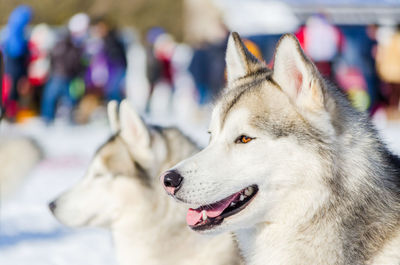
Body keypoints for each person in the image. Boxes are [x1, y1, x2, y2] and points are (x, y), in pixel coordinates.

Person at [41, 13, 88, 123]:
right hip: (61, 75)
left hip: (64, 75)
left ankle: (64, 120)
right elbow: (72, 61)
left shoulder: (70, 45)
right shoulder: (69, 45)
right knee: (53, 99)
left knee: (63, 100)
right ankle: (49, 120)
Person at [1, 5, 32, 119]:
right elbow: (17, 50)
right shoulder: (17, 33)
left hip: (10, 64)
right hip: (14, 64)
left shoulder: (9, 30)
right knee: (12, 91)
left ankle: (9, 113)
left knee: (10, 90)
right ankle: (10, 114)